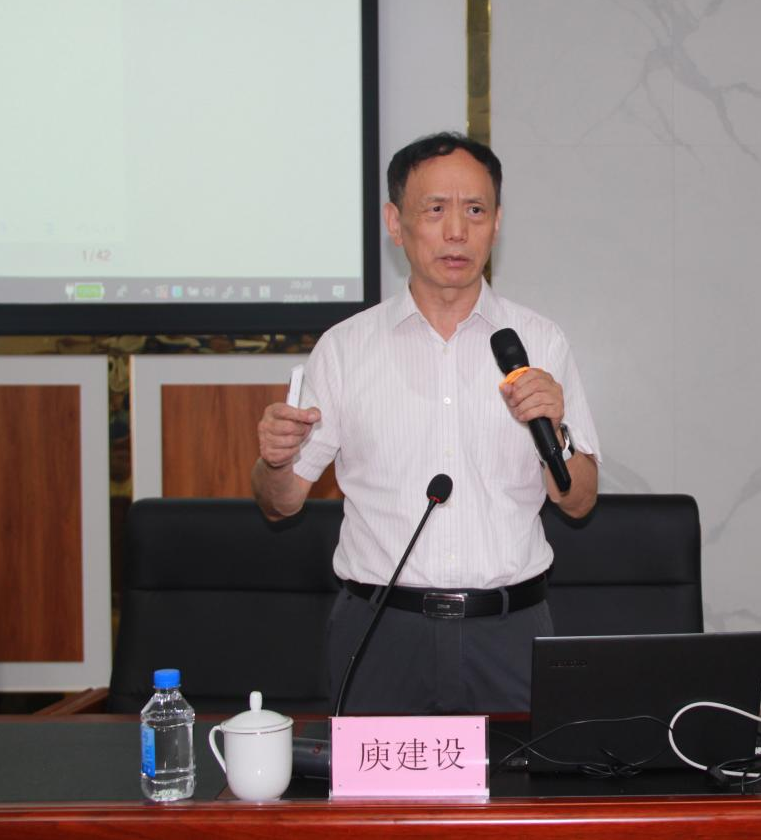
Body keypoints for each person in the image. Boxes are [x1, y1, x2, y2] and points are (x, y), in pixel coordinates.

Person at [251, 132, 600, 715]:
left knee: (521, 779)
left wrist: (555, 433)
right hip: (381, 635)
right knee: (377, 783)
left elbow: (580, 501)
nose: (457, 231)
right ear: (396, 223)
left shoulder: (539, 342)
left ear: (497, 223)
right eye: (435, 210)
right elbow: (278, 504)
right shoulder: (345, 350)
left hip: (509, 635)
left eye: (476, 211)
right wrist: (275, 461)